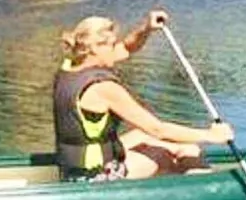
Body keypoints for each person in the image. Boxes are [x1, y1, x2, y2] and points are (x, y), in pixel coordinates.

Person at [53, 10, 233, 181]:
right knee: (171, 152)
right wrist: (211, 135)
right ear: (95, 48)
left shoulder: (69, 66)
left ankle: (186, 164)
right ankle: (203, 192)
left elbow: (127, 47)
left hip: (73, 168)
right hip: (94, 177)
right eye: (112, 44)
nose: (117, 48)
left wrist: (146, 28)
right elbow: (158, 129)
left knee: (143, 136)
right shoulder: (104, 88)